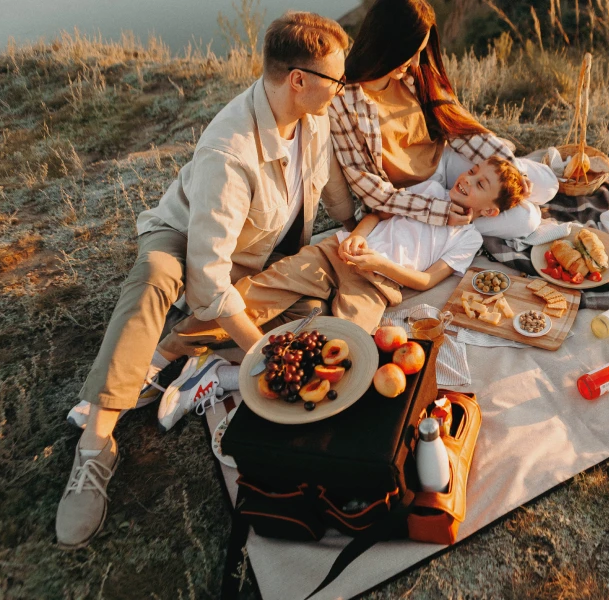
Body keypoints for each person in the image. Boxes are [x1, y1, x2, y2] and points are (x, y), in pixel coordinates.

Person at [55, 12, 354, 549]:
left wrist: (358, 226)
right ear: (298, 80)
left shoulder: (314, 117)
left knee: (316, 306)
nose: (342, 87)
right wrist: (260, 350)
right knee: (154, 278)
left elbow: (328, 184)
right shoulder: (228, 150)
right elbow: (208, 277)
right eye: (337, 78)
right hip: (185, 236)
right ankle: (96, 443)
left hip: (253, 254)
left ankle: (186, 358)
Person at [148, 154, 527, 430]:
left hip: (375, 284)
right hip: (338, 251)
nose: (468, 180)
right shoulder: (429, 190)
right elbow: (378, 213)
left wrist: (379, 264)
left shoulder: (468, 237)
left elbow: (426, 281)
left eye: (481, 184)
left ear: (490, 212)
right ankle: (162, 354)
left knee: (344, 355)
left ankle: (224, 376)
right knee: (261, 291)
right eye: (472, 171)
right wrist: (357, 238)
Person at [329, 0, 557, 239]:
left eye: (420, 52)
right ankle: (445, 228)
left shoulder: (416, 74)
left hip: (447, 162)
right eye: (410, 52)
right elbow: (371, 190)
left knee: (546, 184)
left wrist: (512, 169)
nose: (415, 62)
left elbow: (462, 131)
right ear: (385, 44)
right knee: (525, 219)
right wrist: (439, 213)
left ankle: (463, 217)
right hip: (413, 194)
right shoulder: (342, 101)